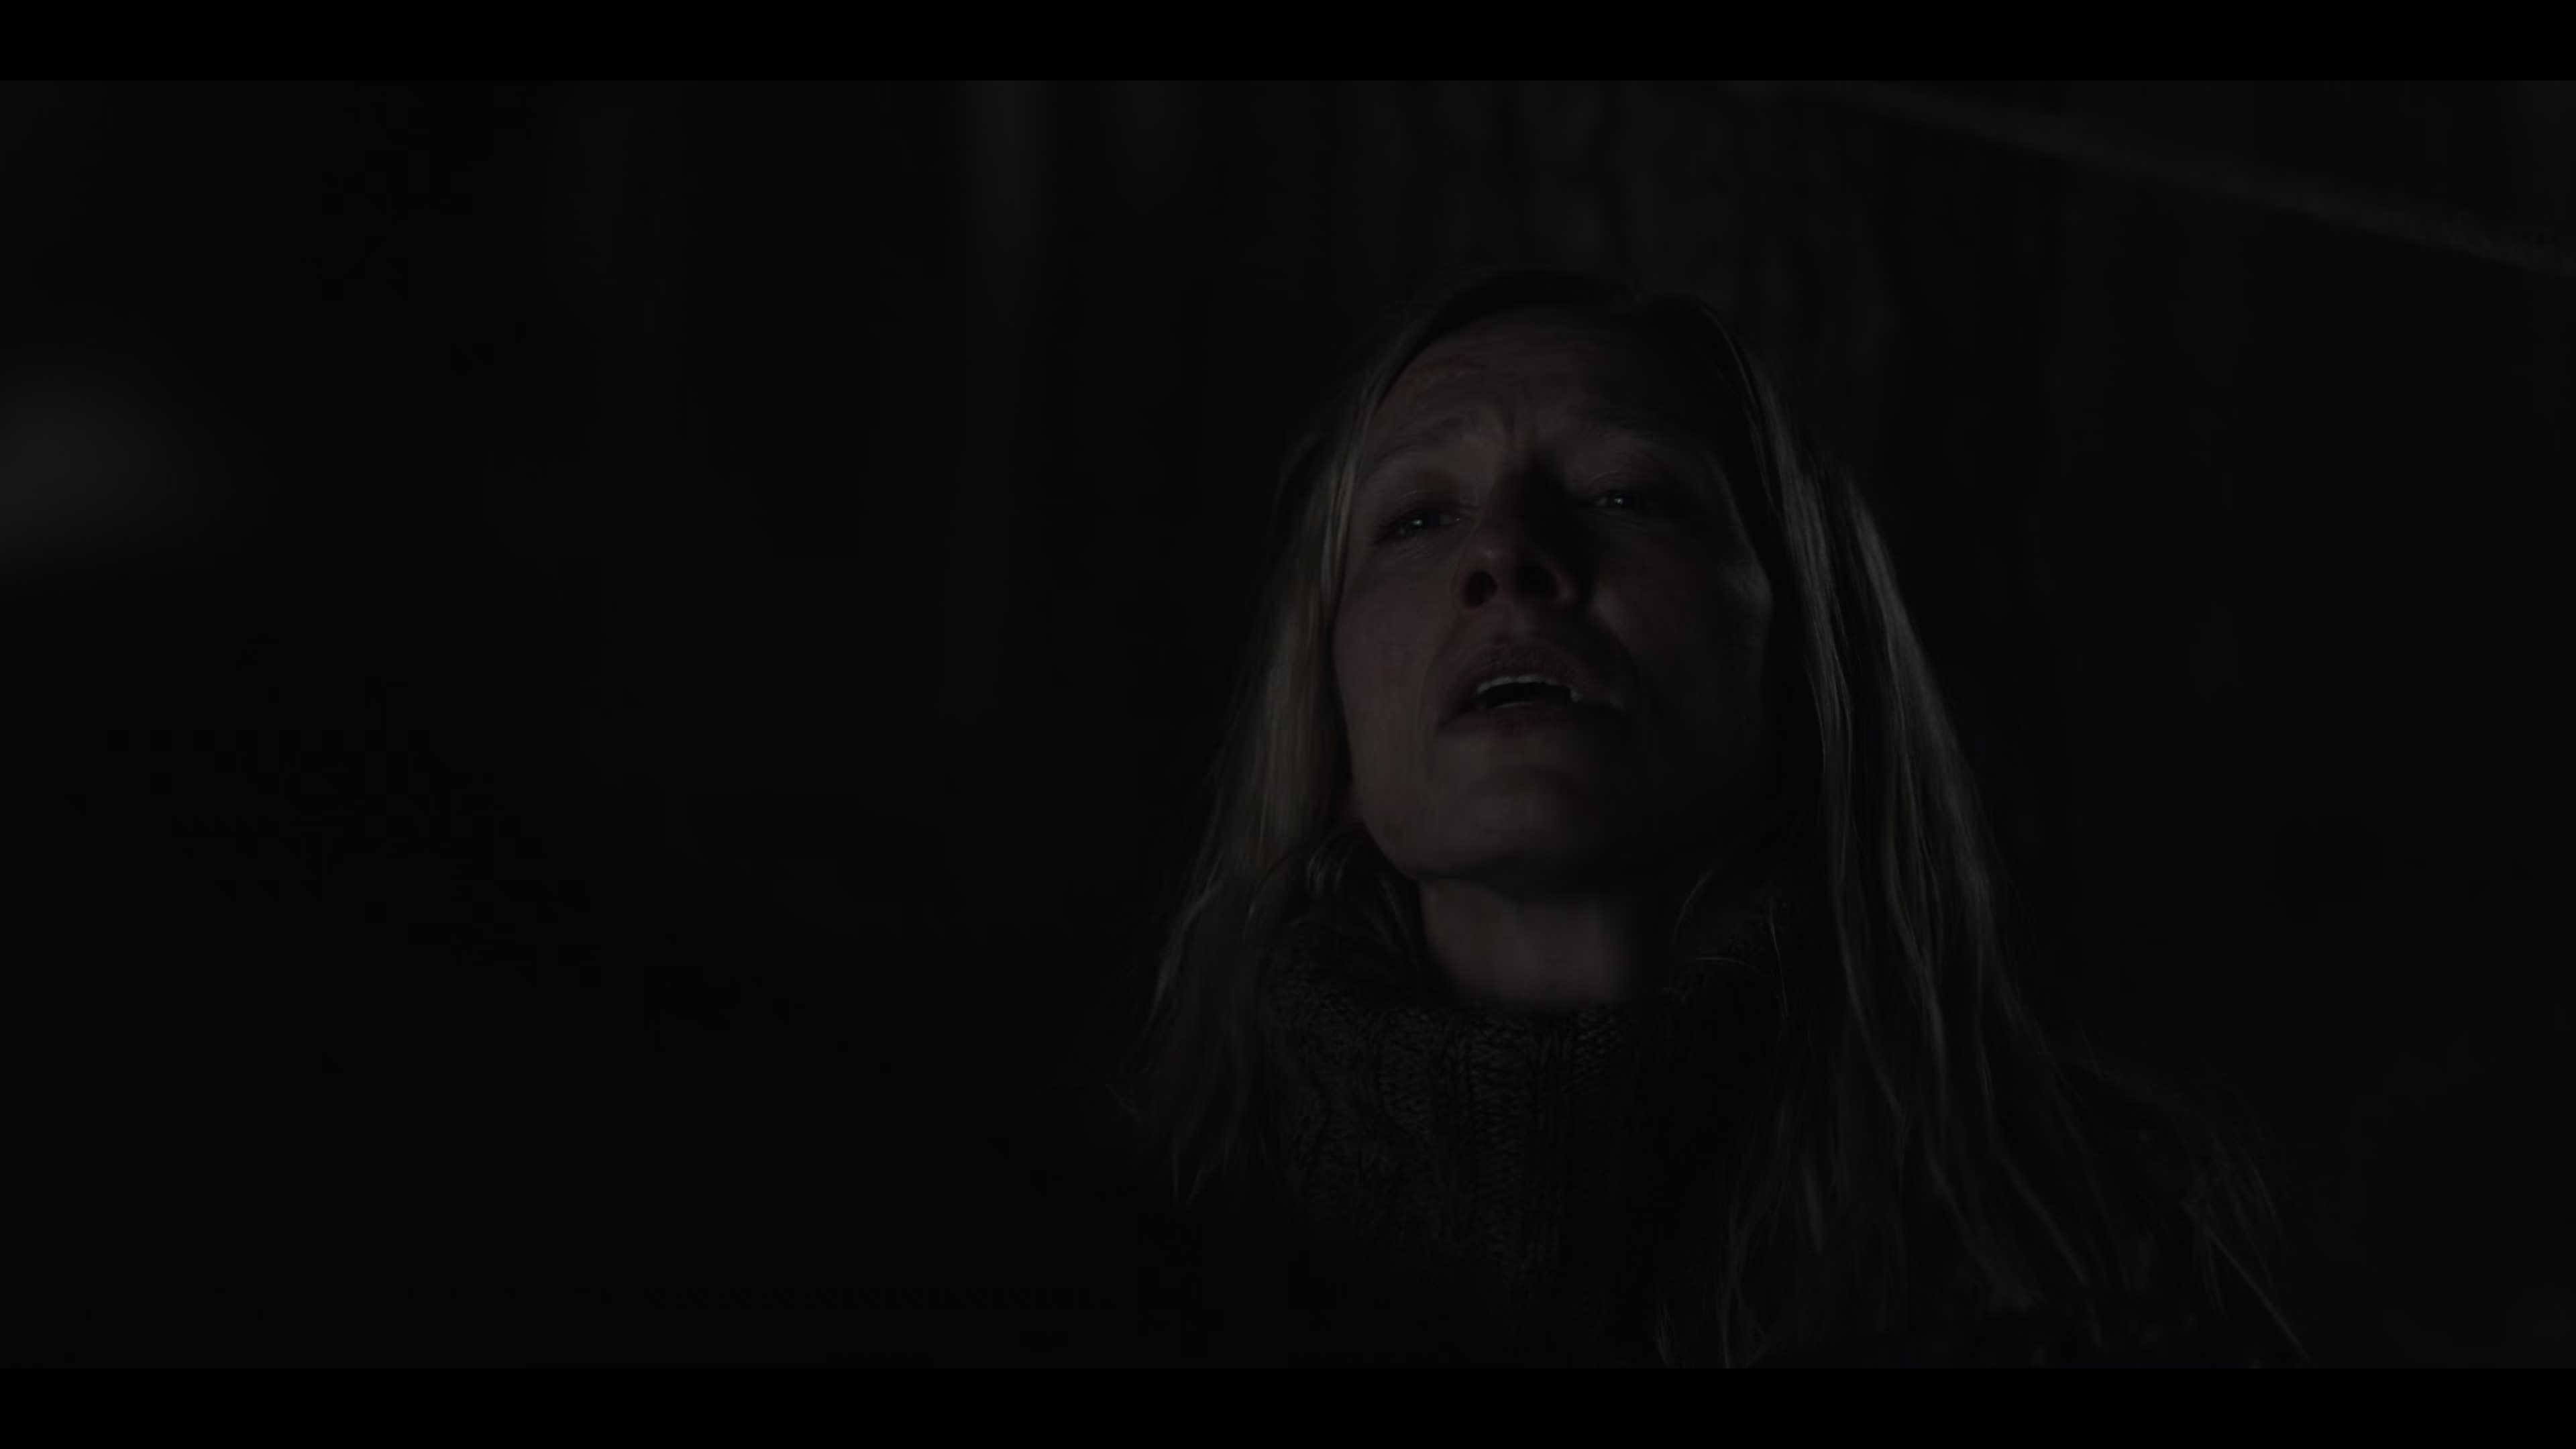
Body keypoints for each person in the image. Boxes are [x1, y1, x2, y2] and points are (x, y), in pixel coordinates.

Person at [1093, 268, 2304, 1367]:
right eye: (1417, 518)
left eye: (1626, 494)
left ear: (1803, 660)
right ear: (1333, 713)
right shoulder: (1126, 1270)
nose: (1506, 553)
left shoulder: (2087, 1260)